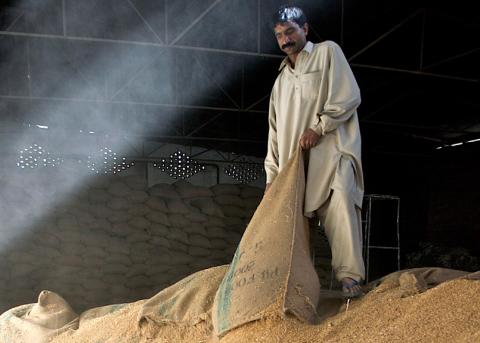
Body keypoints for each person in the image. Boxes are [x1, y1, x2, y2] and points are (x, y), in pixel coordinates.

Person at [264, 5, 365, 298]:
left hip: (331, 152)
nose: (285, 40)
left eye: (290, 31)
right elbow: (273, 132)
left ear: (305, 29)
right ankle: (299, 289)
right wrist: (272, 175)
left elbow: (349, 96)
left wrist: (319, 128)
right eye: (280, 35)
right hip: (295, 165)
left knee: (341, 204)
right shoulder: (280, 81)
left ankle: (351, 280)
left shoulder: (327, 53)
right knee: (295, 228)